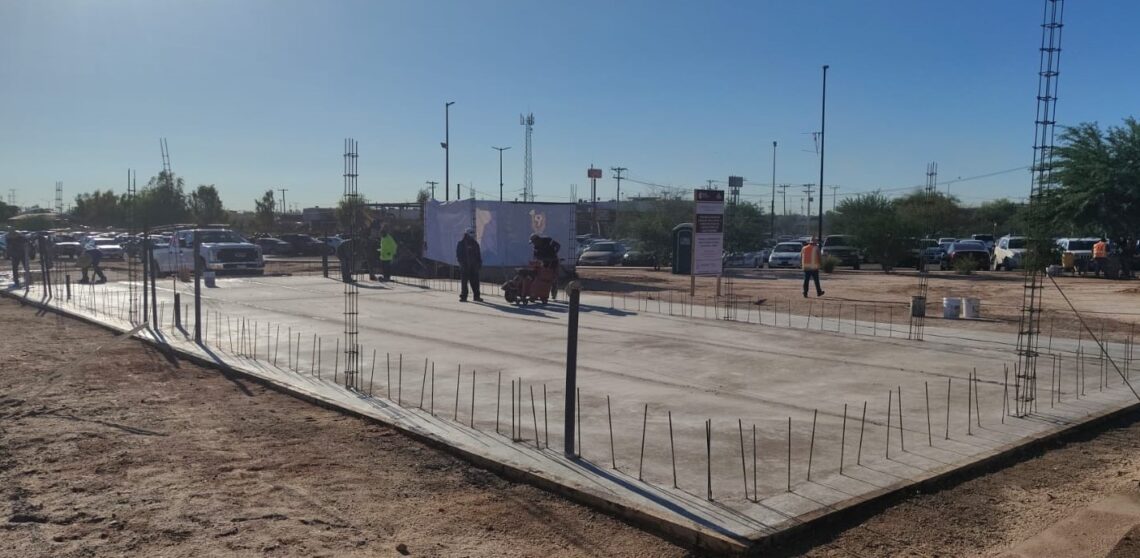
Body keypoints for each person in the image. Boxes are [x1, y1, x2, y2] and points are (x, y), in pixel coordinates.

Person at [456, 228, 482, 302]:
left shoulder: (475, 244)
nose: (473, 235)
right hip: (465, 266)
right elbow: (458, 255)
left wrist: (479, 263)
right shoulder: (461, 243)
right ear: (466, 234)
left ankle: (476, 296)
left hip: (474, 266)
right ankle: (463, 297)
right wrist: (461, 263)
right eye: (471, 233)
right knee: (464, 282)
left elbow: (478, 255)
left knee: (475, 282)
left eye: (473, 233)